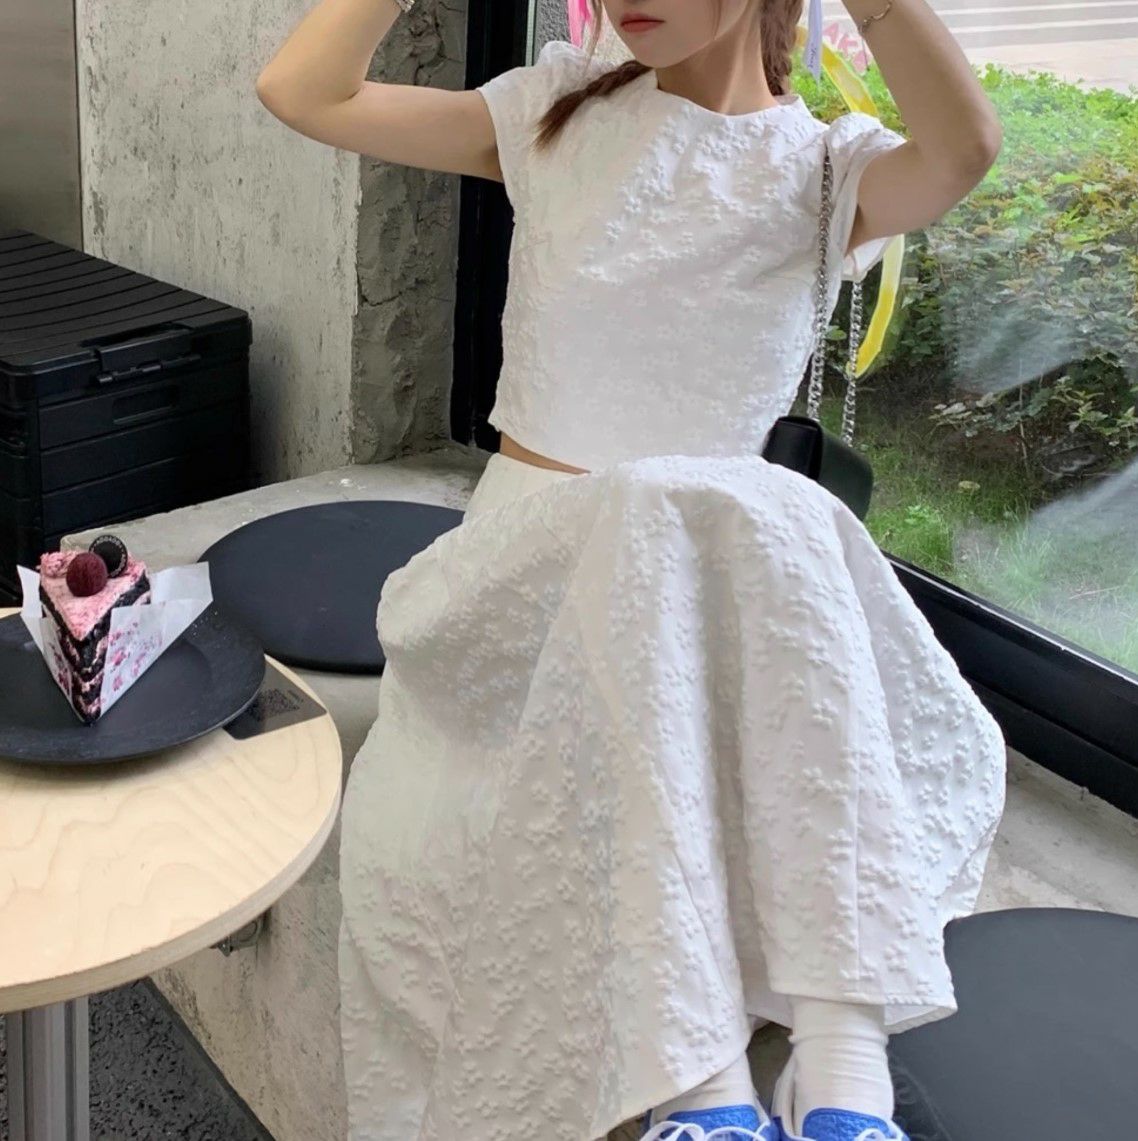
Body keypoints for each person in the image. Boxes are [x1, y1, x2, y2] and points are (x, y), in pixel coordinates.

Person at [255, 3, 1008, 1140]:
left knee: (717, 507)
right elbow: (303, 92)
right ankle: (735, 1074)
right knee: (679, 501)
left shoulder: (821, 173)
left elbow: (963, 149)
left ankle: (823, 1072)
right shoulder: (552, 116)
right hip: (515, 588)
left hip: (702, 614)